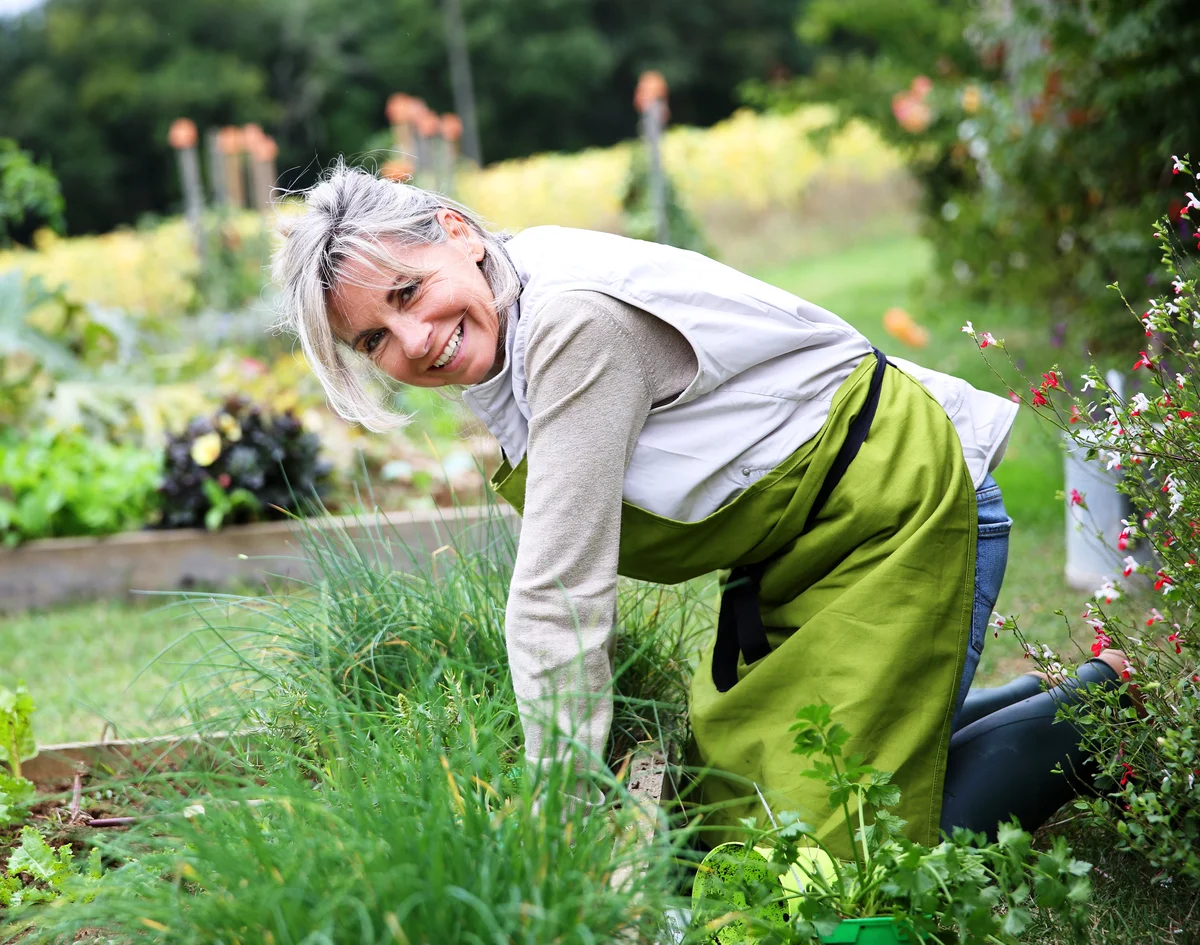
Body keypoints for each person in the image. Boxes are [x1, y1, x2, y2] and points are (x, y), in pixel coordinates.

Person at [272, 162, 1124, 854]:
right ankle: (1046, 700)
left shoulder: (570, 324)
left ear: (457, 233)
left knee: (832, 859)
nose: (414, 340)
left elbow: (560, 590)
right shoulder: (510, 310)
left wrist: (559, 813)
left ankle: (1104, 715)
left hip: (900, 506)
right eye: (373, 339)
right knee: (737, 812)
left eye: (408, 293)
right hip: (806, 542)